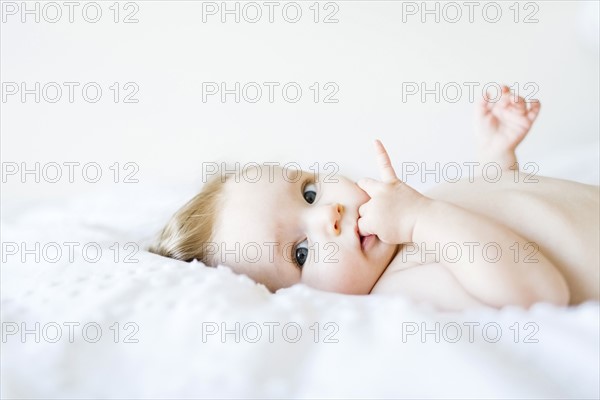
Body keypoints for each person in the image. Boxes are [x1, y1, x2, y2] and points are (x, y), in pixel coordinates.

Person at [150, 86, 599, 311]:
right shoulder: (401, 284)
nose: (329, 214)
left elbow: (502, 216)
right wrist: (422, 219)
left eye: (309, 193)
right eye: (301, 253)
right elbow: (538, 291)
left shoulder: (414, 212)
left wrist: (496, 160)